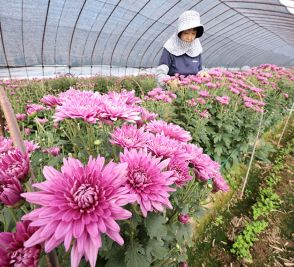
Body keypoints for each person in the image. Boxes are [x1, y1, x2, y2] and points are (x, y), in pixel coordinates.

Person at [156, 10, 205, 87]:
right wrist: (168, 81)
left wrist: (203, 74)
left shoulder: (196, 49)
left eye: (193, 33)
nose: (189, 37)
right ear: (179, 32)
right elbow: (160, 72)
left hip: (192, 91)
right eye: (186, 33)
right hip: (173, 91)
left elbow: (199, 70)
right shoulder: (170, 48)